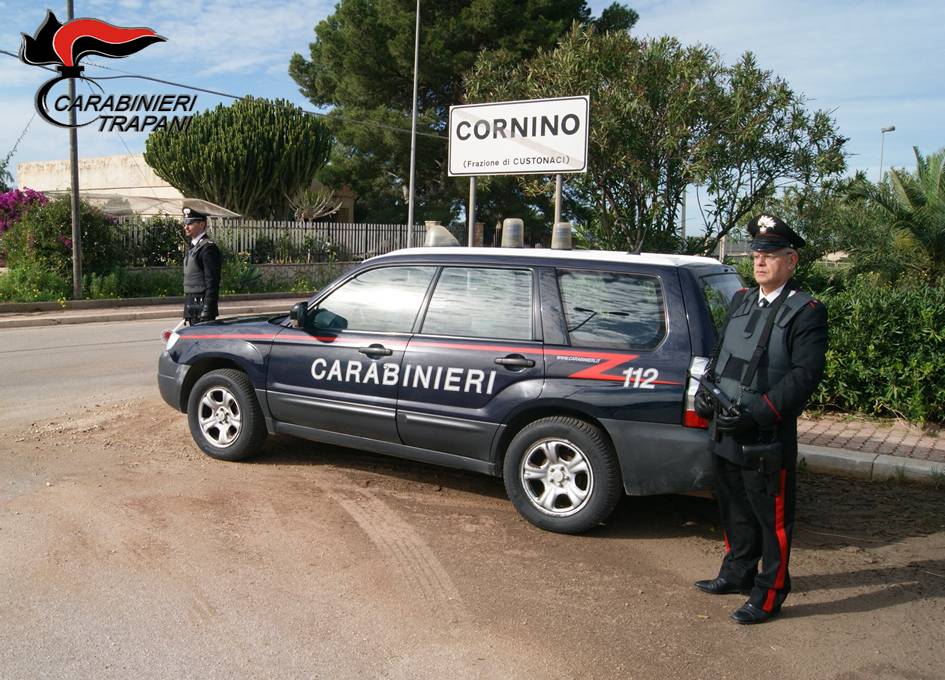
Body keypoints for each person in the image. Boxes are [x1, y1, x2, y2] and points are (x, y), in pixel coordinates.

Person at [693, 213, 828, 624]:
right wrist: (705, 390)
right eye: (756, 252)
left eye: (770, 254)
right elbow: (722, 353)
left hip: (764, 434)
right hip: (726, 426)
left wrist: (756, 414)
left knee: (773, 521)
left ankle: (770, 593)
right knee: (733, 506)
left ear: (792, 260)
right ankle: (737, 573)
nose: (760, 260)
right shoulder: (742, 300)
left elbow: (805, 376)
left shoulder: (806, 311)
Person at [181, 207, 222, 324]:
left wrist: (207, 309)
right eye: (185, 223)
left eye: (190, 223)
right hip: (192, 306)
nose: (186, 227)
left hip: (202, 307)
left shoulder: (208, 248)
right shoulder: (193, 247)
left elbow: (212, 281)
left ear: (201, 224)